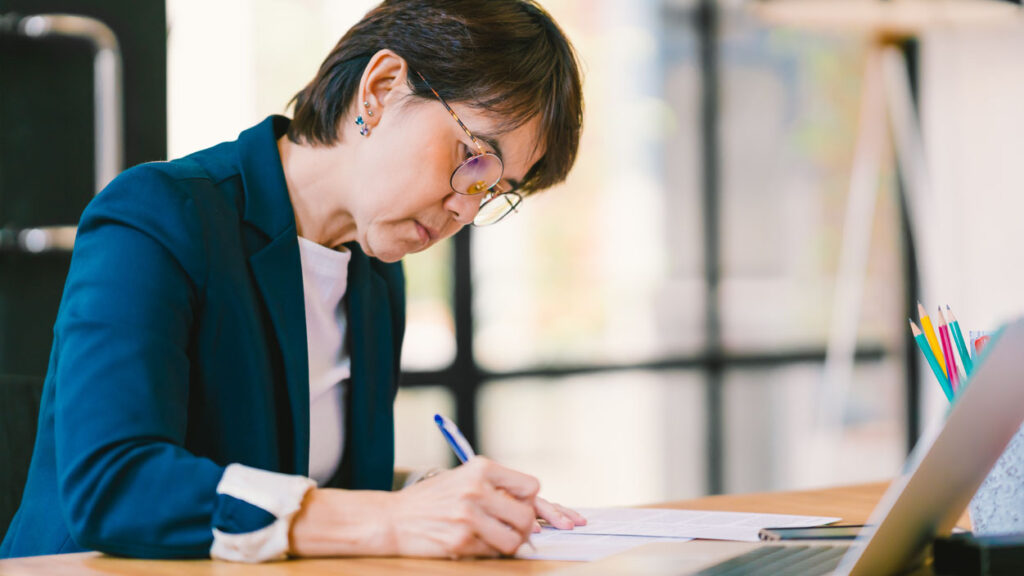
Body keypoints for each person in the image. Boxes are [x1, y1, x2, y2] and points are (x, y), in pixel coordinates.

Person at [0, 0, 585, 562]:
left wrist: (442, 500)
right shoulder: (159, 214)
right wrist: (391, 519)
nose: (464, 209)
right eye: (475, 158)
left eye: (493, 191)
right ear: (381, 89)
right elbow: (115, 484)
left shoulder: (375, 276)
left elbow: (305, 484)